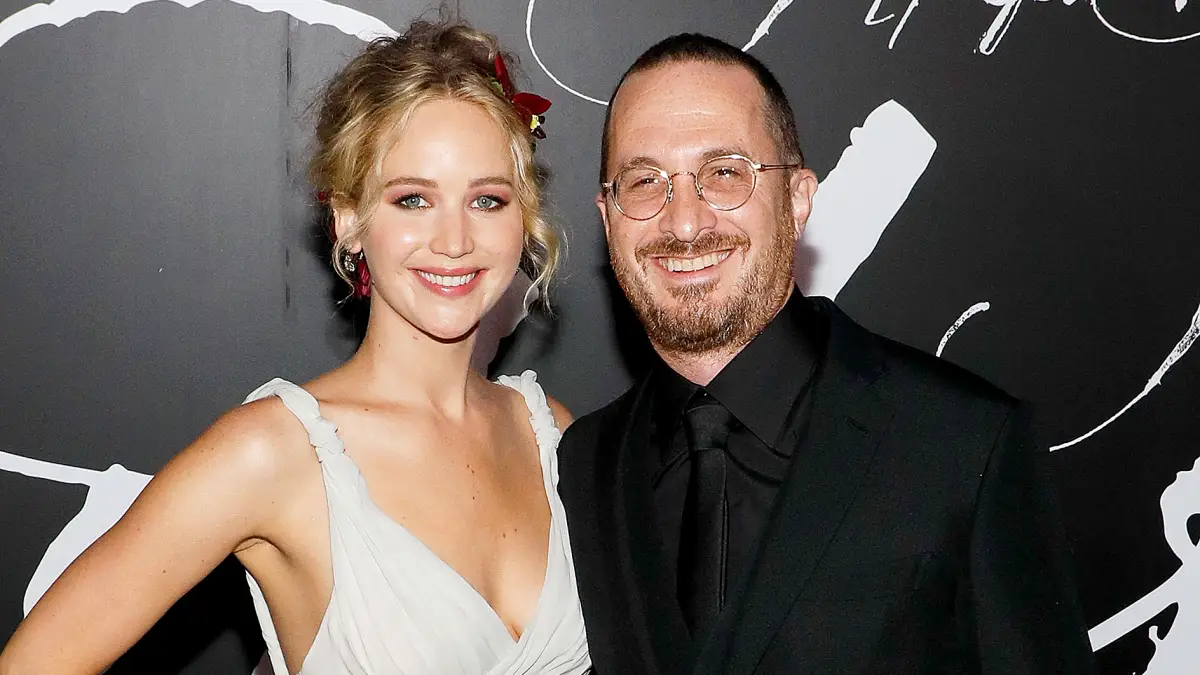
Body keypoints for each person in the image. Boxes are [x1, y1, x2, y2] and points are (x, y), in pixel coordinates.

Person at [0, 20, 589, 675]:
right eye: (413, 198)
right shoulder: (275, 452)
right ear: (349, 218)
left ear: (523, 217)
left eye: (486, 199)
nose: (453, 239)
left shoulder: (552, 435)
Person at [557, 33, 1094, 674]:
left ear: (798, 198)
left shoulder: (963, 442)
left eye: (725, 173)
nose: (686, 222)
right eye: (645, 182)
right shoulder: (585, 462)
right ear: (607, 215)